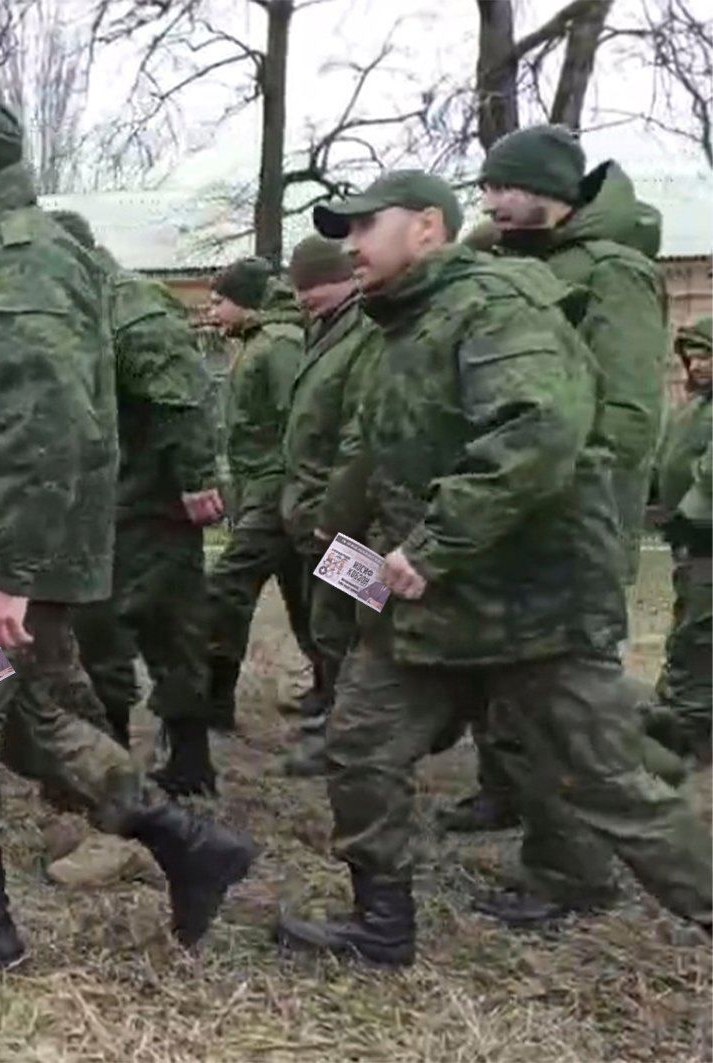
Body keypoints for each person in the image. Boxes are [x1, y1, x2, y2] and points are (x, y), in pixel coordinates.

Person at [275, 170, 712, 967]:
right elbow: (382, 451)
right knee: (362, 746)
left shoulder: (495, 306)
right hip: (430, 605)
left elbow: (535, 432)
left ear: (427, 229)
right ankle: (381, 924)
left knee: (608, 783)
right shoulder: (402, 325)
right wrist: (323, 526)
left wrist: (432, 544)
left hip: (529, 600)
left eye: (367, 226)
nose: (350, 245)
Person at [0, 94, 253, 977]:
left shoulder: (18, 262)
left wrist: (14, 573)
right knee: (34, 717)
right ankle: (187, 841)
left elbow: (42, 425)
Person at [441, 124, 671, 834]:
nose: (490, 202)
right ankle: (506, 790)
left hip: (572, 517)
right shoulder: (512, 264)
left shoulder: (611, 272)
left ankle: (575, 851)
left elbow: (629, 415)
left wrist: (550, 477)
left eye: (504, 187)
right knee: (499, 669)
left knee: (566, 692)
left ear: (551, 191)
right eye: (483, 188)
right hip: (506, 506)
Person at [52, 210, 225, 802]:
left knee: (156, 630)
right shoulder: (82, 306)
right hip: (106, 502)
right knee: (109, 630)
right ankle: (116, 756)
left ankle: (165, 762)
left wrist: (196, 479)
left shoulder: (128, 307)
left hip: (145, 505)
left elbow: (181, 397)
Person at [278, 235, 383, 777]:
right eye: (300, 290)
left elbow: (357, 436)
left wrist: (333, 514)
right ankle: (339, 715)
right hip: (320, 511)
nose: (304, 299)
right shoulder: (325, 331)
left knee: (351, 623)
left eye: (315, 287)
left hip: (348, 518)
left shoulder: (364, 333)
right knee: (331, 622)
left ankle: (352, 735)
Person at [204, 257, 315, 730]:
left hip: (279, 488)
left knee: (227, 584)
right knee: (306, 590)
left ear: (246, 302)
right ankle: (334, 689)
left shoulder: (279, 345)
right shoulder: (256, 344)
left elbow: (300, 421)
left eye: (219, 302)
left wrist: (293, 493)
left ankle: (211, 703)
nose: (211, 312)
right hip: (266, 487)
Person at [644, 317, 712, 763]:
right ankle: (679, 714)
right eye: (692, 356)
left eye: (707, 354)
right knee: (689, 623)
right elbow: (664, 459)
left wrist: (691, 513)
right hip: (688, 540)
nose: (698, 364)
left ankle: (692, 729)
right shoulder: (690, 409)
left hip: (706, 538)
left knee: (701, 633)